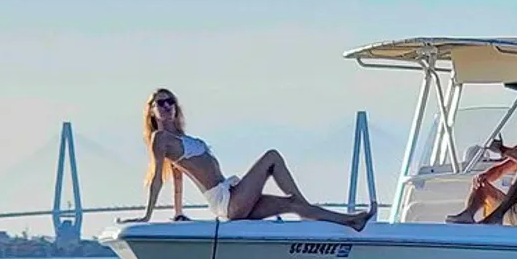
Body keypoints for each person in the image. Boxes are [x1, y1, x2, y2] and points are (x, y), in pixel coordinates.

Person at [117, 88, 376, 230]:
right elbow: (157, 180)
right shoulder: (160, 139)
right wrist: (146, 215)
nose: (166, 106)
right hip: (226, 201)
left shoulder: (181, 138)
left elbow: (178, 179)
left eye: (170, 101)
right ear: (151, 111)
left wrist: (179, 213)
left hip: (232, 195)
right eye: (159, 103)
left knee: (290, 205)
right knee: (272, 157)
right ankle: (306, 204)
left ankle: (351, 221)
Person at [445, 96, 517, 227]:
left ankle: (496, 216)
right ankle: (468, 214)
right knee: (482, 180)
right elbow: (500, 169)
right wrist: (482, 178)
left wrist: (502, 149)